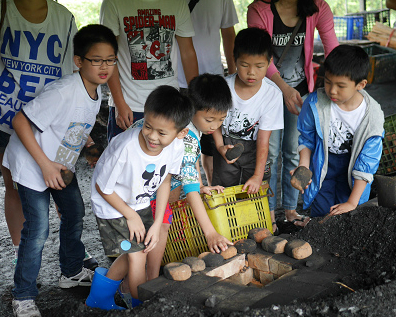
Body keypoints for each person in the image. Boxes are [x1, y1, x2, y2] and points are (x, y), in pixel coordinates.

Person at [3, 24, 118, 317]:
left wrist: (91, 147)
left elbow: (73, 124)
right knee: (38, 229)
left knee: (75, 212)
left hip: (59, 163)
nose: (104, 67)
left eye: (110, 59)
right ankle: (23, 296)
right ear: (79, 61)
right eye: (96, 60)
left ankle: (70, 272)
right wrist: (43, 164)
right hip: (33, 164)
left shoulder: (96, 90)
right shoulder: (65, 89)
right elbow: (20, 121)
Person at [86, 85, 193, 311]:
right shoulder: (126, 147)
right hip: (112, 205)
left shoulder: (177, 146)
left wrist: (156, 222)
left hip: (138, 202)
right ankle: (141, 306)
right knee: (137, 256)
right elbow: (103, 187)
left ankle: (99, 298)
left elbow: (164, 180)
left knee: (134, 251)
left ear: (181, 133)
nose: (152, 137)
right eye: (148, 126)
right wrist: (131, 216)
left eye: (162, 133)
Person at [127, 74, 234, 294]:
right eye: (210, 119)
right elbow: (188, 181)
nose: (215, 126)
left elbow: (189, 166)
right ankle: (150, 281)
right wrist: (210, 233)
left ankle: (142, 280)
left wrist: (199, 184)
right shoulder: (185, 137)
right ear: (193, 109)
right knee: (158, 229)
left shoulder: (187, 126)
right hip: (141, 187)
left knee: (153, 231)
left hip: (150, 183)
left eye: (221, 120)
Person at [0, 0, 83, 268]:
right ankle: (19, 254)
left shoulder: (64, 18)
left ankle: (71, 249)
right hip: (6, 115)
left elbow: (71, 71)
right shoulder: (4, 10)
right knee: (14, 184)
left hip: (51, 120)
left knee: (59, 182)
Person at [247, 0, 338, 231]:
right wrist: (284, 89)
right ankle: (267, 214)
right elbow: (259, 55)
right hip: (268, 91)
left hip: (300, 90)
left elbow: (333, 49)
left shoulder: (317, 7)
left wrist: (340, 87)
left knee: (293, 150)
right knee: (271, 152)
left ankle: (289, 210)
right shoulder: (259, 10)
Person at [293, 45, 384, 218]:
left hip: (352, 167)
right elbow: (307, 138)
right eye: (328, 82)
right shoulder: (315, 103)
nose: (332, 90)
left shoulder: (373, 117)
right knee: (321, 211)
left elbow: (367, 163)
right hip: (323, 163)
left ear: (361, 84)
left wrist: (351, 202)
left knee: (348, 213)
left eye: (341, 86)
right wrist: (304, 165)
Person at [211, 28, 283, 231]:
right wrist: (219, 147)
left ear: (269, 63)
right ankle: (227, 229)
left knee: (255, 190)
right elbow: (213, 122)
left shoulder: (272, 95)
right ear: (234, 60)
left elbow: (263, 140)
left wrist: (258, 175)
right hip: (226, 146)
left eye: (259, 66)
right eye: (244, 65)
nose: (251, 72)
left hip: (255, 151)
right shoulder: (223, 86)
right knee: (226, 190)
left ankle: (260, 227)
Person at [100, 0, 199, 142]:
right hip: (129, 105)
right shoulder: (114, 3)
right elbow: (108, 55)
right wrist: (119, 103)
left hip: (169, 105)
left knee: (167, 162)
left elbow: (187, 52)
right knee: (123, 160)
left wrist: (195, 100)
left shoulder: (178, 3)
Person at [176, 0, 239, 186]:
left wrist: (233, 73)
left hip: (214, 79)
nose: (216, 123)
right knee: (187, 139)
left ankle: (209, 188)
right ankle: (196, 185)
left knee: (210, 142)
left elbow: (229, 34)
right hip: (178, 80)